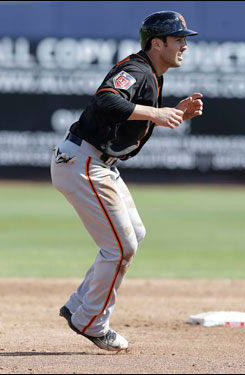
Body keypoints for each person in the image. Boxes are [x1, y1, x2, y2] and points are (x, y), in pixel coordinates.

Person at [51, 11, 203, 351]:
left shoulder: (151, 72)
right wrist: (156, 113)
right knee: (121, 246)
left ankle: (79, 305)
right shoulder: (136, 69)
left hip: (96, 161)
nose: (184, 46)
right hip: (84, 161)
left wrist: (173, 112)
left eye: (184, 39)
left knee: (135, 233)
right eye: (178, 39)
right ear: (157, 42)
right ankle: (91, 321)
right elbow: (105, 99)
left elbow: (132, 115)